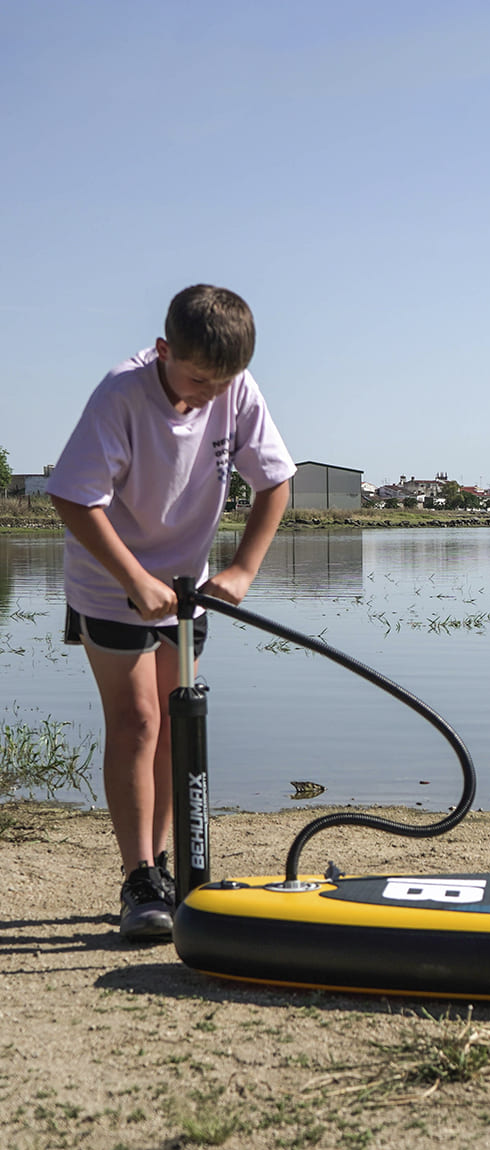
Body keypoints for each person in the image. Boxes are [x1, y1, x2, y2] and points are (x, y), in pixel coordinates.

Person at [48, 284, 296, 942]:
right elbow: (73, 498)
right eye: (198, 380)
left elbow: (275, 480)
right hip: (110, 583)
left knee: (174, 724)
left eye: (224, 382)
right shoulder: (120, 395)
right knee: (136, 721)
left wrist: (242, 569)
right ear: (164, 351)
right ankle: (137, 879)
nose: (211, 395)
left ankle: (162, 864)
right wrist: (132, 576)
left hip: (188, 586)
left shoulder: (237, 389)